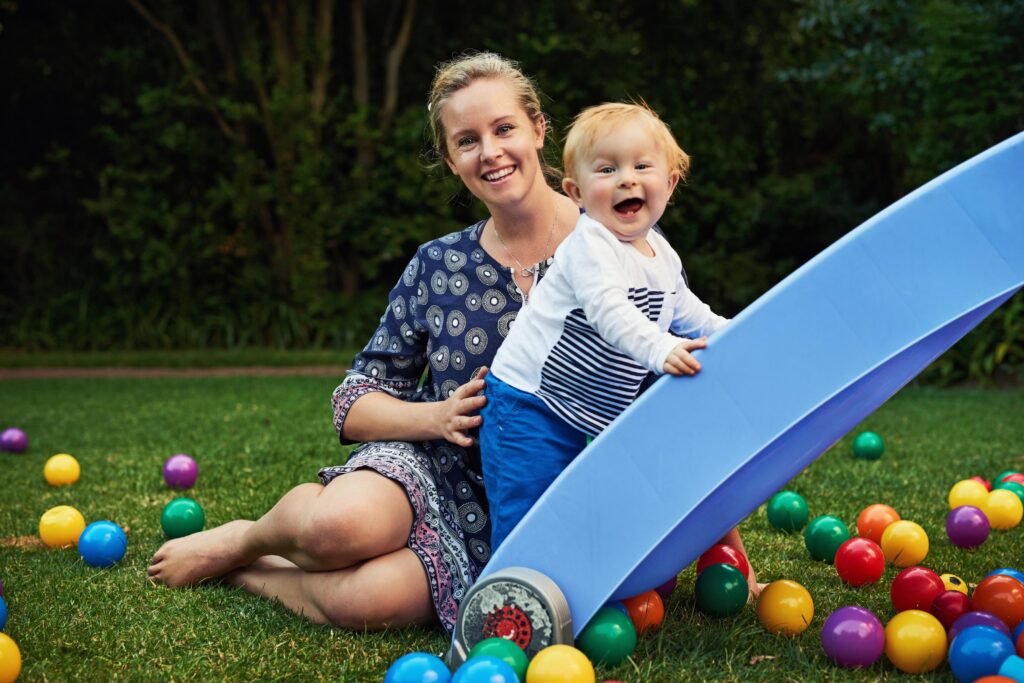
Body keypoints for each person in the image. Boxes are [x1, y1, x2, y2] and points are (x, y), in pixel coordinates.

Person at [147, 51, 582, 634]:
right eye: (467, 140)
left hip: (526, 506)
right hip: (432, 465)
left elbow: (679, 383)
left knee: (365, 603)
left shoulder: (614, 247)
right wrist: (437, 417)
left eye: (504, 128)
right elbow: (354, 400)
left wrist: (722, 553)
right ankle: (246, 536)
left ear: (538, 128)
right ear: (452, 161)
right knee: (341, 528)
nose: (491, 152)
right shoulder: (439, 264)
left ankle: (251, 567)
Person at [480, 101, 760, 591]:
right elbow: (609, 310)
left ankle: (570, 589)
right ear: (578, 193)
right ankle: (508, 597)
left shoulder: (661, 252)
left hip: (578, 409)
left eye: (641, 166)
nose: (627, 180)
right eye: (607, 170)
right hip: (528, 403)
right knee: (529, 507)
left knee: (576, 507)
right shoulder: (591, 245)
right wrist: (659, 349)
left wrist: (738, 334)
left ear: (670, 183)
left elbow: (688, 310)